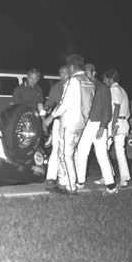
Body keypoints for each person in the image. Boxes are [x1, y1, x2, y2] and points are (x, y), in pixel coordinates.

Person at [43, 54, 95, 194]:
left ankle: (70, 187)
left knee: (65, 155)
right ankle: (63, 183)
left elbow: (65, 103)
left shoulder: (73, 81)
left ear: (72, 67)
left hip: (69, 122)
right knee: (69, 154)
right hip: (81, 123)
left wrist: (50, 118)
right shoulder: (89, 82)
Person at [74, 64, 117, 195]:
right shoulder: (83, 86)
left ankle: (111, 185)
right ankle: (80, 182)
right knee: (81, 152)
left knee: (101, 154)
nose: (85, 75)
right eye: (84, 72)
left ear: (94, 73)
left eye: (87, 72)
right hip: (86, 125)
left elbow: (108, 111)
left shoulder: (103, 88)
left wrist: (103, 127)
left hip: (98, 124)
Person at [103, 68, 131, 187]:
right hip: (123, 122)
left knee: (103, 150)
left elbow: (117, 107)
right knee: (120, 151)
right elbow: (127, 111)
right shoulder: (122, 90)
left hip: (116, 123)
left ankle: (108, 176)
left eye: (105, 79)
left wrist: (113, 125)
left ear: (110, 79)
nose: (104, 81)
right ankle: (124, 178)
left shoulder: (114, 89)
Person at [43, 65, 70, 187]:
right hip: (58, 121)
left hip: (71, 122)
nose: (62, 76)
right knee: (55, 149)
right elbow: (50, 103)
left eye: (64, 73)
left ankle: (64, 178)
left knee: (67, 151)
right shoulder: (56, 87)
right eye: (60, 73)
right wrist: (45, 109)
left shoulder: (73, 86)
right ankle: (50, 178)